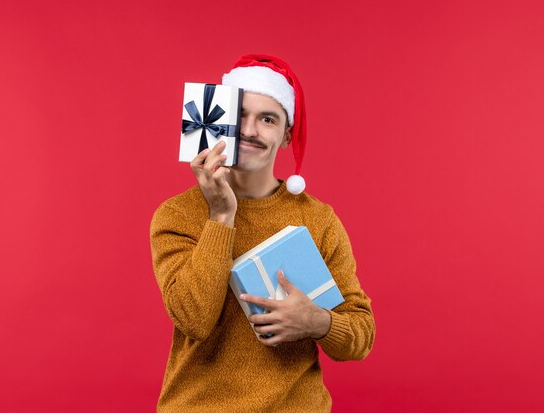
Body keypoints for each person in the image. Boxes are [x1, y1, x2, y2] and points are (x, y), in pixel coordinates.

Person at [150, 54, 375, 413]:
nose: (250, 130)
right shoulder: (176, 215)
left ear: (286, 135)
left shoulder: (318, 219)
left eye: (267, 119)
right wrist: (222, 215)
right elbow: (194, 319)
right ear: (220, 117)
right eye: (240, 115)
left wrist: (317, 322)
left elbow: (361, 336)